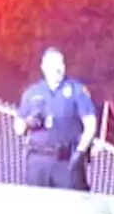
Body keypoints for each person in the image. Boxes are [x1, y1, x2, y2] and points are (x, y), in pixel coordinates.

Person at [14, 47, 97, 191]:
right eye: (53, 65)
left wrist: (81, 151)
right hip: (37, 160)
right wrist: (30, 122)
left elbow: (90, 124)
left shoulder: (76, 90)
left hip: (65, 161)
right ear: (43, 67)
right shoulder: (32, 92)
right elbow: (18, 128)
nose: (58, 69)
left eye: (61, 64)